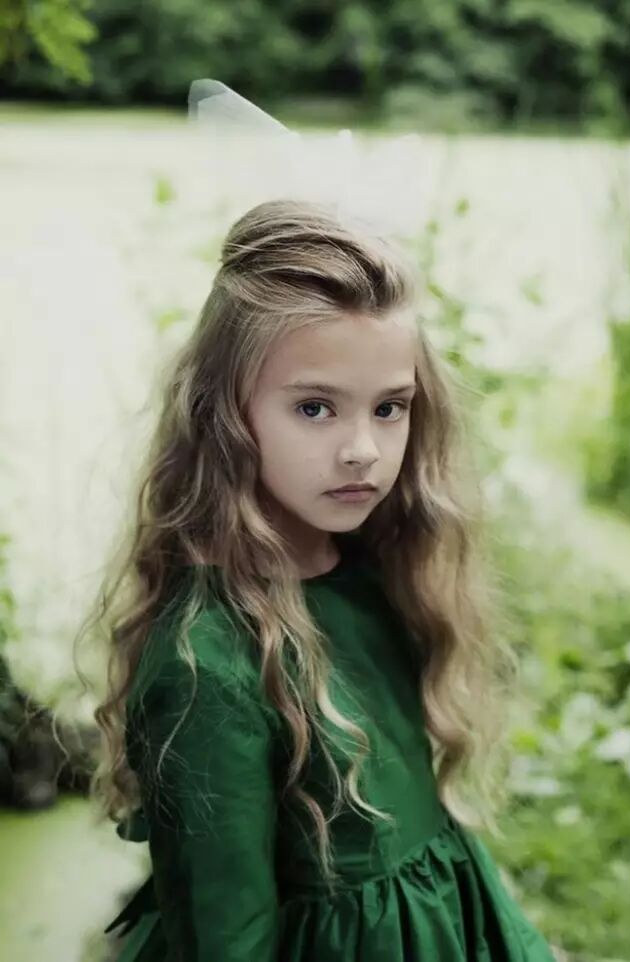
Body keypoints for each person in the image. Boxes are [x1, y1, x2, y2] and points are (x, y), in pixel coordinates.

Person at [89, 197, 558, 960]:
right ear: (225, 415)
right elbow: (227, 940)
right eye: (315, 408)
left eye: (390, 408)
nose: (363, 449)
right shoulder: (208, 666)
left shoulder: (380, 569)